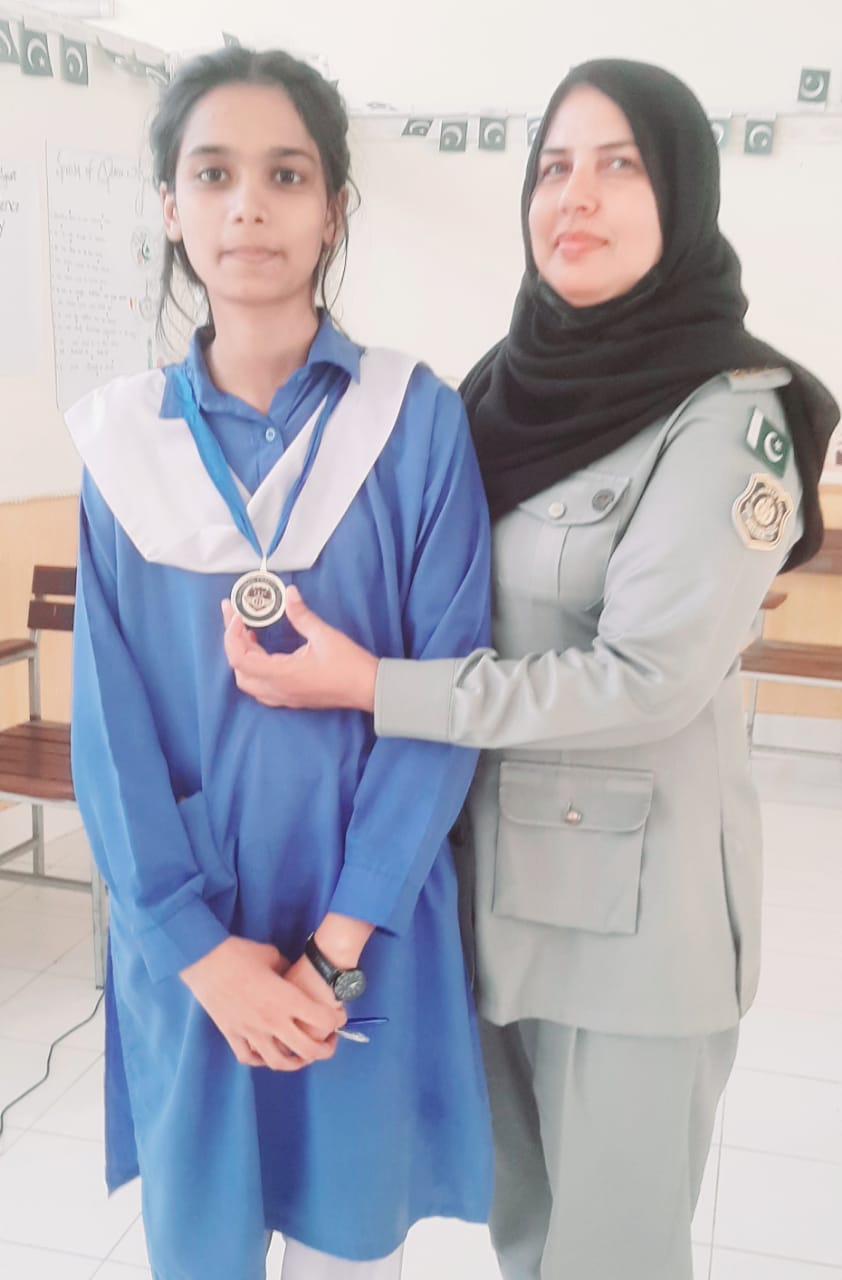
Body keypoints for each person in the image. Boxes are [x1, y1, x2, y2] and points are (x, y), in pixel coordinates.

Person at [221, 59, 840, 1280]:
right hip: (491, 902)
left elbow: (643, 677)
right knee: (528, 1237)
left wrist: (373, 686)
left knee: (610, 1256)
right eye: (553, 166)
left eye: (619, 166)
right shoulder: (497, 392)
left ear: (681, 193)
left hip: (633, 937)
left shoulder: (725, 418)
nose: (576, 195)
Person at [67, 46, 493, 1280]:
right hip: (190, 930)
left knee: (345, 1244)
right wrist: (198, 952)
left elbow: (444, 694)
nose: (247, 204)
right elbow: (108, 730)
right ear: (170, 208)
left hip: (360, 916)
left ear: (333, 210)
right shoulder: (123, 444)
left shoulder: (413, 421)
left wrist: (336, 945)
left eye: (286, 175)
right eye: (213, 174)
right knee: (202, 1248)